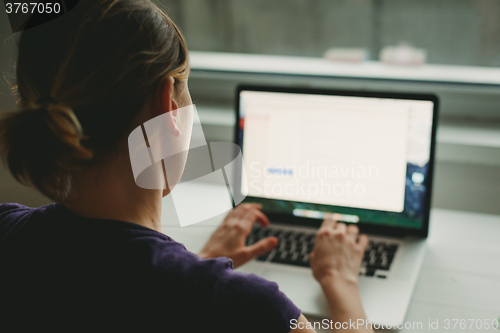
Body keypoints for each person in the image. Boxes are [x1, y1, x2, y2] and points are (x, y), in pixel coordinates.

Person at [0, 1, 374, 332]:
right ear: (167, 106)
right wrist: (339, 281)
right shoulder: (245, 307)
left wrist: (195, 266)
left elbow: (111, 291)